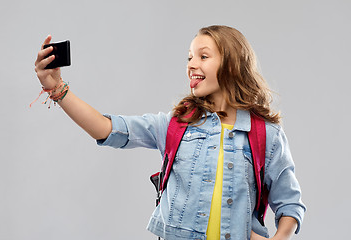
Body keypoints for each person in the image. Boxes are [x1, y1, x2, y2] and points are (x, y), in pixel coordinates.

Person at [34, 25, 306, 240]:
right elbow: (109, 128)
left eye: (203, 56)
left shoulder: (266, 135)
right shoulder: (175, 125)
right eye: (189, 57)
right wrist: (57, 90)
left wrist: (278, 239)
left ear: (232, 64)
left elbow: (290, 204)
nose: (191, 64)